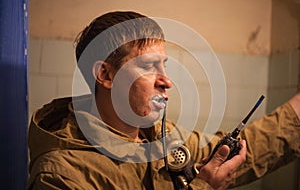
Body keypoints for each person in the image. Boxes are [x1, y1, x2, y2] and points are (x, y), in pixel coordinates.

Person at [26, 11, 300, 190]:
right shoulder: (61, 175)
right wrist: (204, 187)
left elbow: (244, 151)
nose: (167, 81)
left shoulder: (161, 139)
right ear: (105, 75)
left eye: (164, 66)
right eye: (148, 66)